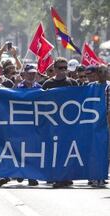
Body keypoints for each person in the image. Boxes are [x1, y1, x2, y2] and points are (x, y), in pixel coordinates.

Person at [42, 57, 78, 188]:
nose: (63, 70)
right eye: (60, 68)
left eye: (65, 67)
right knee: (55, 150)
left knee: (68, 150)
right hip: (53, 123)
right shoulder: (47, 84)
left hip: (69, 123)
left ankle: (66, 176)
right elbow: (41, 104)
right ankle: (58, 176)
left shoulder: (73, 83)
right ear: (55, 69)